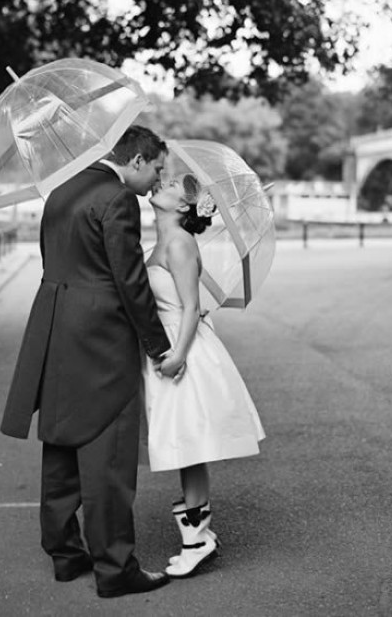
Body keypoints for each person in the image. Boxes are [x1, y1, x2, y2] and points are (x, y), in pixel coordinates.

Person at [0, 125, 173, 598]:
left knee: (60, 443)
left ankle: (65, 554)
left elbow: (53, 259)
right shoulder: (117, 199)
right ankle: (115, 570)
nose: (158, 179)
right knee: (108, 457)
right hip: (100, 340)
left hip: (54, 329)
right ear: (135, 161)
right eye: (157, 167)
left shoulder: (61, 190)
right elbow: (130, 281)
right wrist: (159, 346)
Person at [143, 173, 265, 578]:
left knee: (189, 443)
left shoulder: (177, 242)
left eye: (173, 183)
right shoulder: (163, 240)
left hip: (185, 351)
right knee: (185, 444)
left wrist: (177, 356)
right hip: (175, 346)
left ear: (182, 206)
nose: (162, 182)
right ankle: (199, 538)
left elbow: (192, 307)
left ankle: (197, 540)